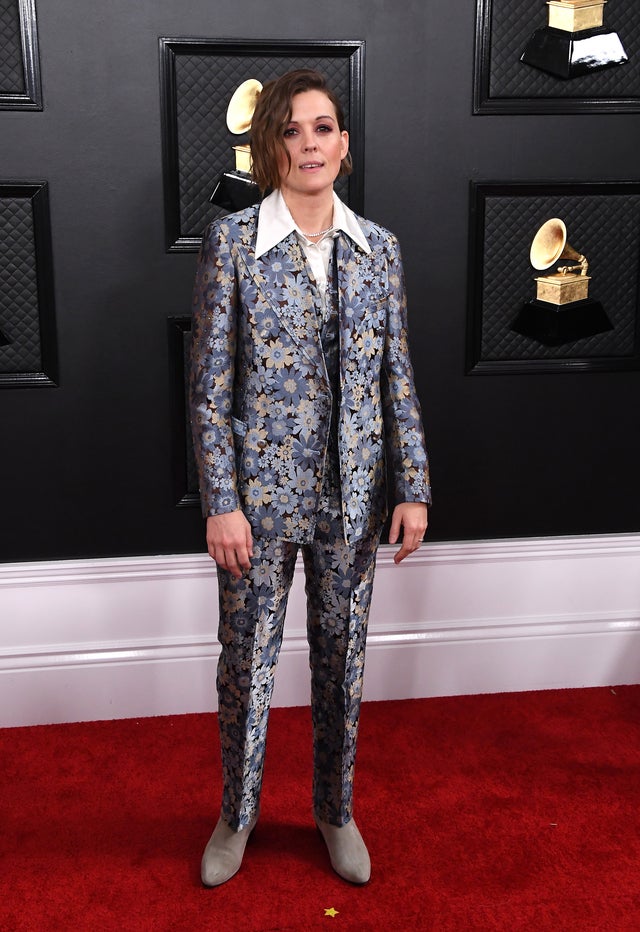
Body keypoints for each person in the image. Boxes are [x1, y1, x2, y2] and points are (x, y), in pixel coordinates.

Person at [189, 68, 431, 888]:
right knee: (244, 664)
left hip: (355, 503)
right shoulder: (232, 245)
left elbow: (397, 374)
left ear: (345, 146)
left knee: (343, 661)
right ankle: (238, 813)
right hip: (257, 505)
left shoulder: (380, 249)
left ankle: (335, 811)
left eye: (322, 128)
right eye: (291, 131)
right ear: (270, 149)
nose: (308, 145)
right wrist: (221, 502)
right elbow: (211, 387)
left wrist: (414, 485)